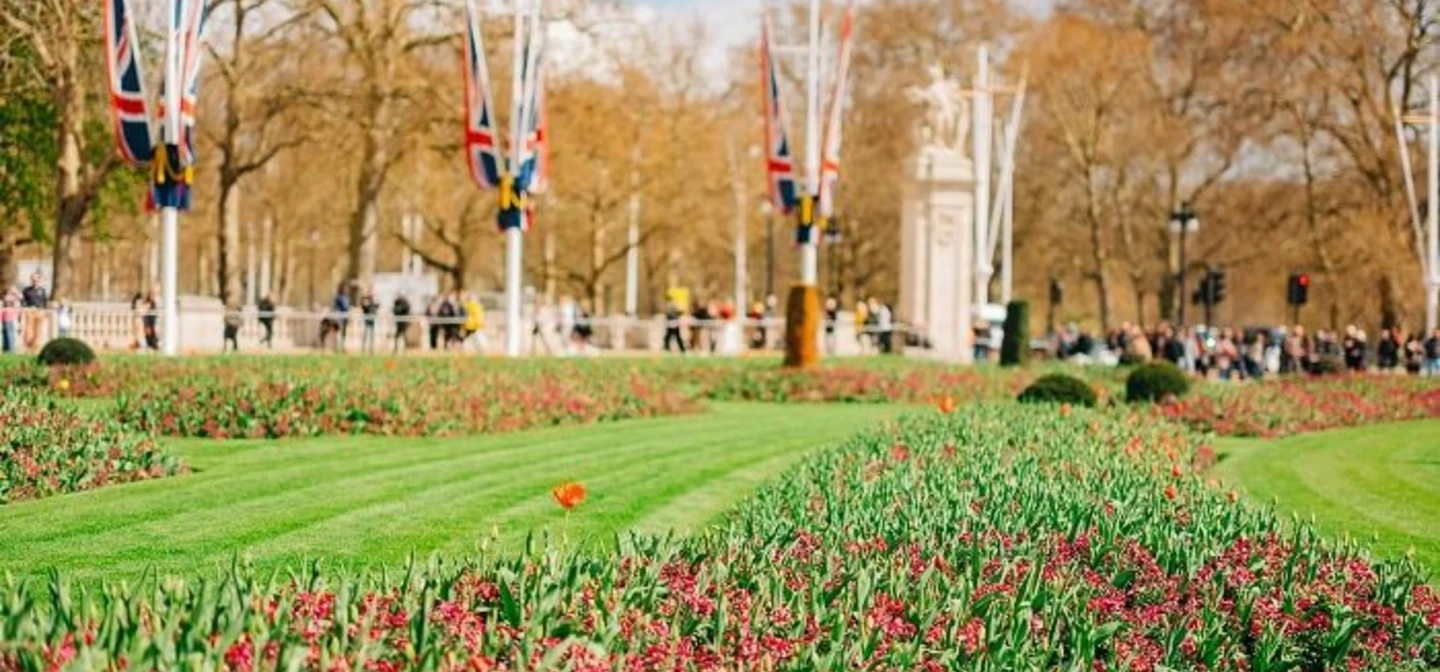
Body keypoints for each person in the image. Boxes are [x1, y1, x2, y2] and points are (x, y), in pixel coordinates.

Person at [20, 273, 48, 351]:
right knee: (29, 329)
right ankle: (28, 345)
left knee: (38, 330)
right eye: (33, 279)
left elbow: (45, 302)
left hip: (40, 312)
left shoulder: (42, 290)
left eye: (36, 279)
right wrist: (27, 307)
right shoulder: (26, 290)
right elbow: (23, 301)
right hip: (30, 312)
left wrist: (43, 310)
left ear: (39, 280)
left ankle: (36, 346)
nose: (34, 281)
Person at [328, 284, 352, 353]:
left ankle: (342, 347)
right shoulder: (338, 297)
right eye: (345, 288)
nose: (346, 290)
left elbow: (347, 307)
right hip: (338, 318)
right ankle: (336, 348)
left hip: (345, 317)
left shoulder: (347, 297)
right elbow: (336, 307)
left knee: (343, 333)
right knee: (337, 333)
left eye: (347, 288)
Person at [360, 290, 379, 354]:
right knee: (365, 335)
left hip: (372, 321)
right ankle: (363, 349)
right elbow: (363, 307)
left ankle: (371, 349)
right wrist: (363, 299)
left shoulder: (374, 304)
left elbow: (378, 306)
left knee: (372, 336)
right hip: (366, 321)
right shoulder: (366, 304)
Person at [1, 289, 19, 354]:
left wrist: (14, 291)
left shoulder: (12, 296)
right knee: (4, 332)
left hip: (9, 316)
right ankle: (5, 348)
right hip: (3, 316)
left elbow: (20, 297)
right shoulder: (3, 295)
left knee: (9, 333)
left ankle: (11, 349)